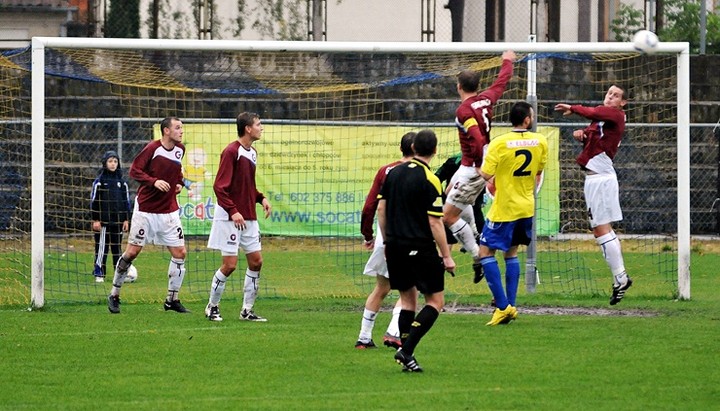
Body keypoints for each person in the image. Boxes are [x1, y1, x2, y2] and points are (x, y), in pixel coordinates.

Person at [378, 129, 456, 372]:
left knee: (406, 300)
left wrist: (388, 238)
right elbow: (435, 222)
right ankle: (407, 349)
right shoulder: (430, 178)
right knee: (435, 301)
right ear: (434, 150)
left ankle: (407, 358)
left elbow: (382, 209)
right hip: (420, 247)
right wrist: (447, 256)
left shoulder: (393, 173)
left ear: (413, 149)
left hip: (394, 246)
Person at [555, 85, 632, 305]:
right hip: (595, 179)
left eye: (616, 95)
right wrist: (583, 136)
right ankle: (620, 278)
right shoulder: (604, 119)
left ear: (623, 103)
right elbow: (596, 136)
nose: (610, 97)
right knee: (602, 229)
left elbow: (594, 113)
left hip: (601, 179)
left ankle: (621, 277)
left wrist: (573, 107)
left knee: (600, 230)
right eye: (609, 93)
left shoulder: (615, 115)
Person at [443, 50, 516, 283]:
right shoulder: (486, 98)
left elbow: (475, 135)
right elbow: (502, 82)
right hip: (469, 165)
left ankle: (477, 255)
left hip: (472, 167)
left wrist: (480, 164)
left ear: (459, 86)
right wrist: (507, 61)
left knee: (448, 216)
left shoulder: (464, 110)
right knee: (450, 196)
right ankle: (474, 232)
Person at [107, 117, 189, 314]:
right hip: (146, 210)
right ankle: (114, 293)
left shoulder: (180, 150)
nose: (181, 132)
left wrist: (179, 183)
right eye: (177, 128)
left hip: (168, 211)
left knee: (180, 253)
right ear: (166, 131)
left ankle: (172, 299)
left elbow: (176, 171)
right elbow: (135, 171)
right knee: (132, 252)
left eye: (182, 128)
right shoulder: (153, 148)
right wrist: (154, 182)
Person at [477, 102, 548, 325]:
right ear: (527, 120)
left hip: (504, 209)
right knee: (511, 253)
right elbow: (537, 172)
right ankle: (511, 306)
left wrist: (480, 169)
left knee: (485, 253)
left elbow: (486, 174)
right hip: (526, 207)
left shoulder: (499, 143)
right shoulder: (541, 141)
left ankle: (502, 306)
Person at [205, 112, 272, 322]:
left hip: (248, 216)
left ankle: (247, 310)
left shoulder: (252, 152)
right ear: (248, 129)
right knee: (230, 265)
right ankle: (212, 306)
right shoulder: (231, 151)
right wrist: (233, 211)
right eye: (259, 124)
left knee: (256, 262)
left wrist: (261, 198)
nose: (262, 128)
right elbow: (219, 187)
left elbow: (247, 186)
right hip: (229, 217)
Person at [355, 131, 416, 350]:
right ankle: (393, 331)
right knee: (410, 289)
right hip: (407, 237)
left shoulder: (385, 170)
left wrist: (368, 235)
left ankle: (363, 337)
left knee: (381, 287)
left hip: (384, 237)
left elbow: (369, 206)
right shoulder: (421, 173)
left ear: (401, 149)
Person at [90, 150, 131, 283]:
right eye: (110, 161)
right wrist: (95, 219)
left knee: (117, 248)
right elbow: (94, 201)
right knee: (102, 247)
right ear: (105, 163)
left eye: (115, 161)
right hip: (103, 222)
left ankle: (118, 272)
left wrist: (126, 219)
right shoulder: (100, 182)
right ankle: (99, 272)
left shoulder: (122, 183)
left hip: (118, 221)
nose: (113, 164)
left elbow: (126, 202)